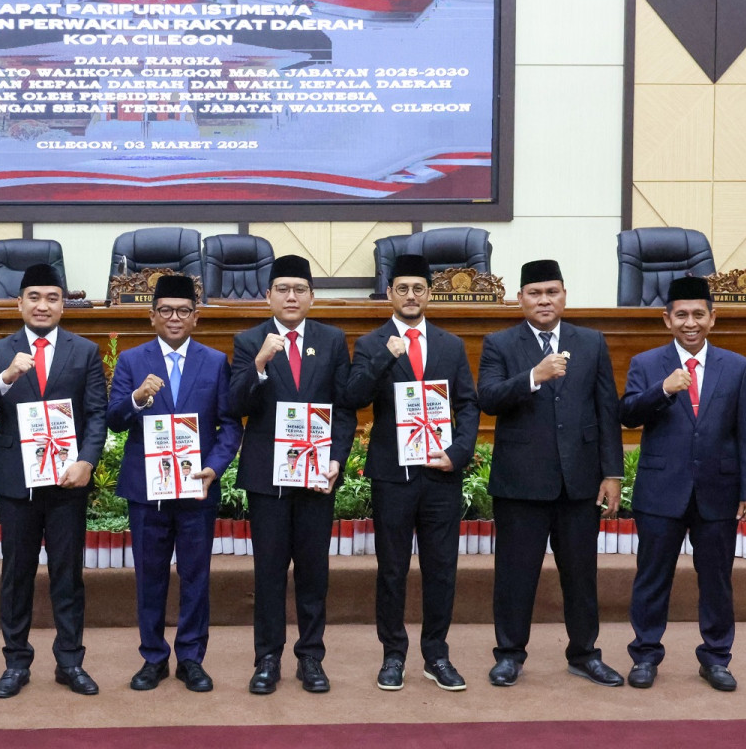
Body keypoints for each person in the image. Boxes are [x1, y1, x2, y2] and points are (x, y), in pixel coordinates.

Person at [477, 259, 625, 688]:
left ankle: (584, 654)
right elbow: (488, 397)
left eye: (552, 292)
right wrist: (533, 377)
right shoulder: (500, 344)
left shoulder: (591, 342)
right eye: (535, 293)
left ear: (564, 296)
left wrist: (611, 472)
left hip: (578, 483)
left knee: (581, 577)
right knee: (514, 576)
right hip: (521, 484)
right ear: (520, 299)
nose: (544, 300)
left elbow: (606, 410)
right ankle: (509, 654)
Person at [0, 263, 107, 698]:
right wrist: (8, 376)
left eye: (52, 298)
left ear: (64, 305)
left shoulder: (84, 351)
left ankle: (70, 661)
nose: (42, 306)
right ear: (19, 303)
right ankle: (15, 662)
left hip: (67, 481)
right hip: (17, 482)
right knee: (17, 574)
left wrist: (87, 460)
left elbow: (98, 414)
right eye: (34, 297)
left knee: (68, 574)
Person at [620, 276, 746, 691]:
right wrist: (662, 390)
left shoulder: (737, 367)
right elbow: (628, 413)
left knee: (717, 579)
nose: (690, 322)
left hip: (718, 491)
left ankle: (716, 658)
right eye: (681, 315)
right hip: (661, 491)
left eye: (698, 314)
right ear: (667, 319)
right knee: (651, 578)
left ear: (712, 318)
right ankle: (645, 655)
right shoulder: (647, 364)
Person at [344, 255, 480, 692]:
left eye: (418, 288)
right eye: (402, 288)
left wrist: (459, 453)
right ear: (389, 294)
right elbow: (354, 396)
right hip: (392, 474)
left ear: (428, 293)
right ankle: (393, 655)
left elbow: (468, 404)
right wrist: (386, 357)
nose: (410, 296)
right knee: (392, 569)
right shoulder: (371, 343)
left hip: (440, 473)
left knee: (442, 568)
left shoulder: (450, 344)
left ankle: (436, 655)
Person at [106, 274, 243, 693]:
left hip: (196, 488)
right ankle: (153, 658)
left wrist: (214, 468)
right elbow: (113, 418)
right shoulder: (131, 361)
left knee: (195, 574)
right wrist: (138, 398)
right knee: (150, 576)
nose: (174, 318)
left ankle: (191, 659)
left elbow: (229, 425)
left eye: (183, 311)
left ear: (196, 317)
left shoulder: (216, 361)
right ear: (151, 317)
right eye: (165, 310)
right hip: (147, 491)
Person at [229, 255, 357, 694]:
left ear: (311, 296)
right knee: (268, 572)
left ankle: (311, 658)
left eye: (299, 289)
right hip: (268, 479)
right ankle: (267, 659)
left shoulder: (333, 339)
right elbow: (235, 405)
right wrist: (260, 365)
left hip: (318, 477)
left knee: (313, 572)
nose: (290, 296)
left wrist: (337, 458)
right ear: (267, 296)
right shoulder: (249, 341)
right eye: (282, 289)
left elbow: (344, 410)